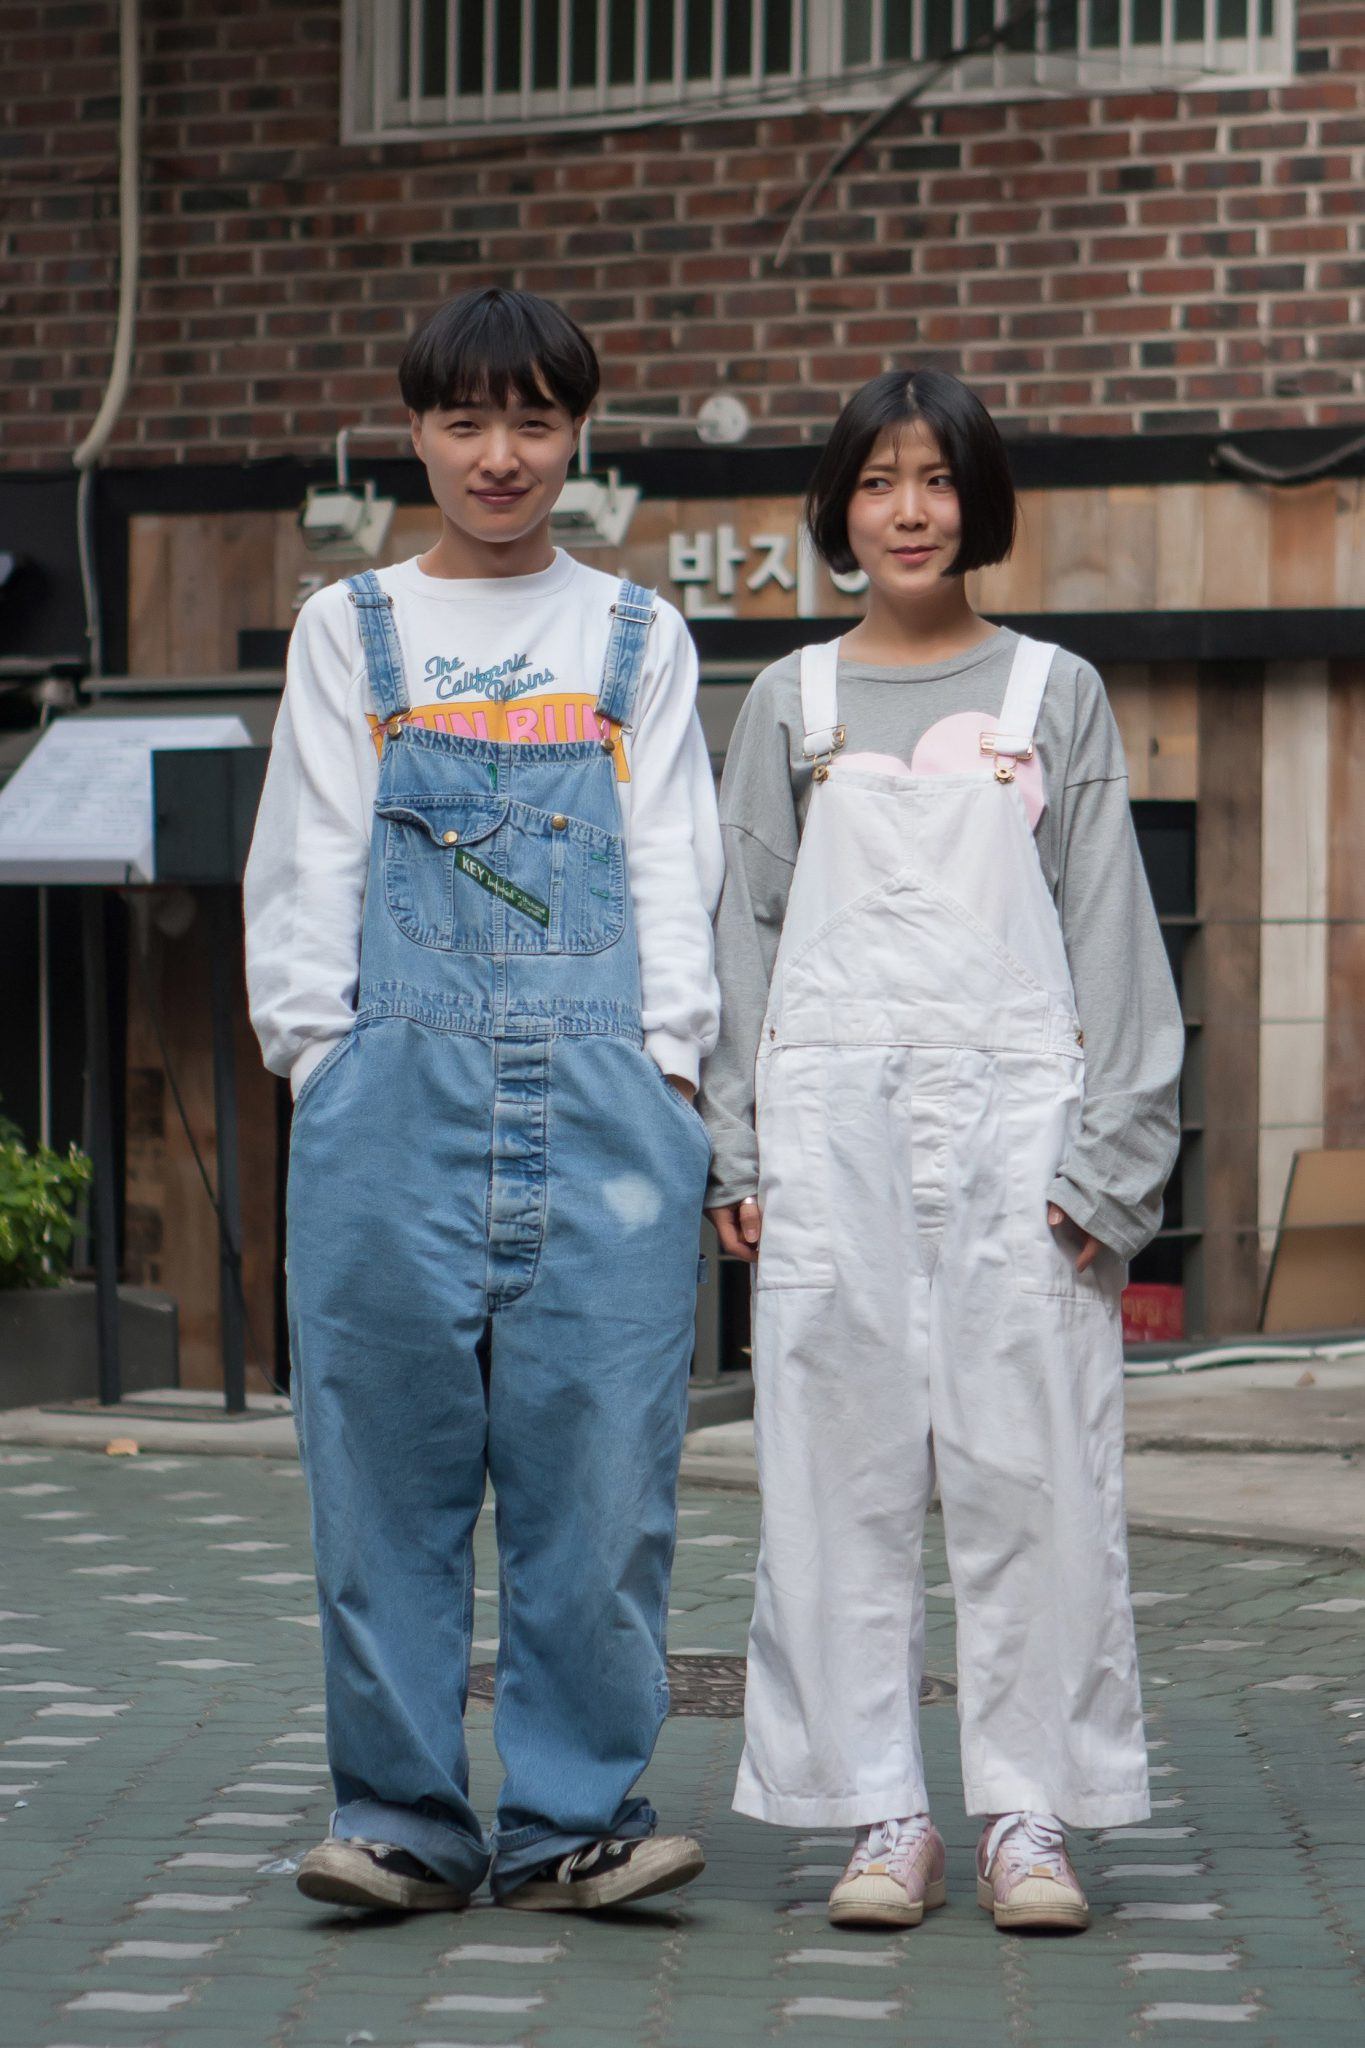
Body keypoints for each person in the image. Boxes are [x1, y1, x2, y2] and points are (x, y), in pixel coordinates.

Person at [245, 286, 721, 1916]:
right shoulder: (347, 628)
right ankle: (401, 1821)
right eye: (465, 421)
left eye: (533, 420)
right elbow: (308, 860)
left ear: (580, 434)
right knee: (380, 1469)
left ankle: (576, 1820)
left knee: (600, 1471)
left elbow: (673, 863)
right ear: (416, 433)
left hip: (607, 1100)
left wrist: (668, 1072)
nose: (499, 455)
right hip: (391, 1087)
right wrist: (325, 1060)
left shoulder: (637, 635)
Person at [700, 368, 1184, 1935]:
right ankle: (880, 1813)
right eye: (876, 482)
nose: (907, 511)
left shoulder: (1054, 693)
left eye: (936, 480)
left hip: (1019, 1138)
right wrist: (738, 1149)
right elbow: (740, 946)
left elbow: (1113, 935)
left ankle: (1026, 1816)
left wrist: (1110, 1162)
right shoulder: (792, 703)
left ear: (979, 503)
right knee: (832, 1481)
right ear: (836, 509)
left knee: (1029, 1473)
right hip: (825, 1139)